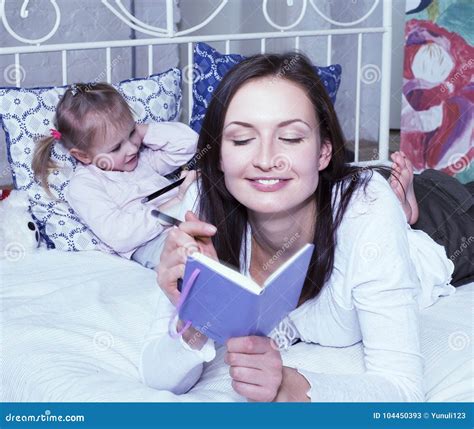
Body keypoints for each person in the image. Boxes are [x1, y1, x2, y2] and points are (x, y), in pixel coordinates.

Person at [140, 53, 456, 401]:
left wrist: (291, 387)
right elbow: (160, 379)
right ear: (218, 156)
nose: (264, 160)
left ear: (323, 151)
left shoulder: (367, 210)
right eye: (242, 140)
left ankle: (407, 206)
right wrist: (195, 313)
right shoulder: (201, 207)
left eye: (290, 138)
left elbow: (404, 390)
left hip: (437, 229)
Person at [32, 83, 197, 269]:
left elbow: (188, 144)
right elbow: (120, 235)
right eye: (116, 147)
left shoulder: (142, 160)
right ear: (83, 155)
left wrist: (141, 131)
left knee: (227, 229)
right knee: (189, 258)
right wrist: (176, 201)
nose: (132, 148)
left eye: (132, 133)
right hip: (152, 241)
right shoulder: (85, 185)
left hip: (189, 217)